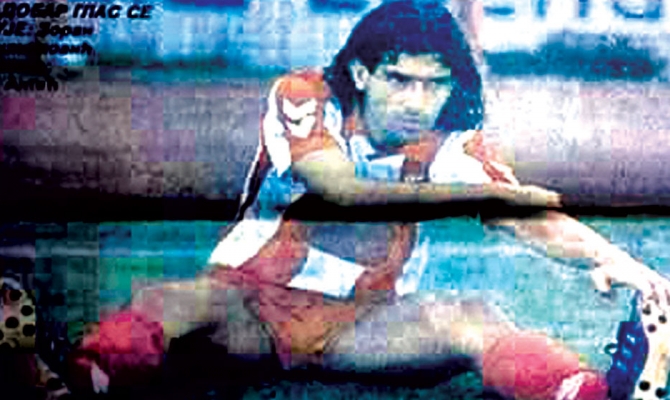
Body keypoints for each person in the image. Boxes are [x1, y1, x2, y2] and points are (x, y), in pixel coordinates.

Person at [65, 1, 670, 399]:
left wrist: (618, 261)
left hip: (365, 327)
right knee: (171, 301)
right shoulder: (304, 96)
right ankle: (68, 385)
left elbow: (532, 222)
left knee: (470, 314)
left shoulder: (449, 141)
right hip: (249, 309)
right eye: (400, 80)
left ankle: (594, 395)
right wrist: (488, 192)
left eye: (434, 85)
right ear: (361, 74)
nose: (416, 101)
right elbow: (339, 191)